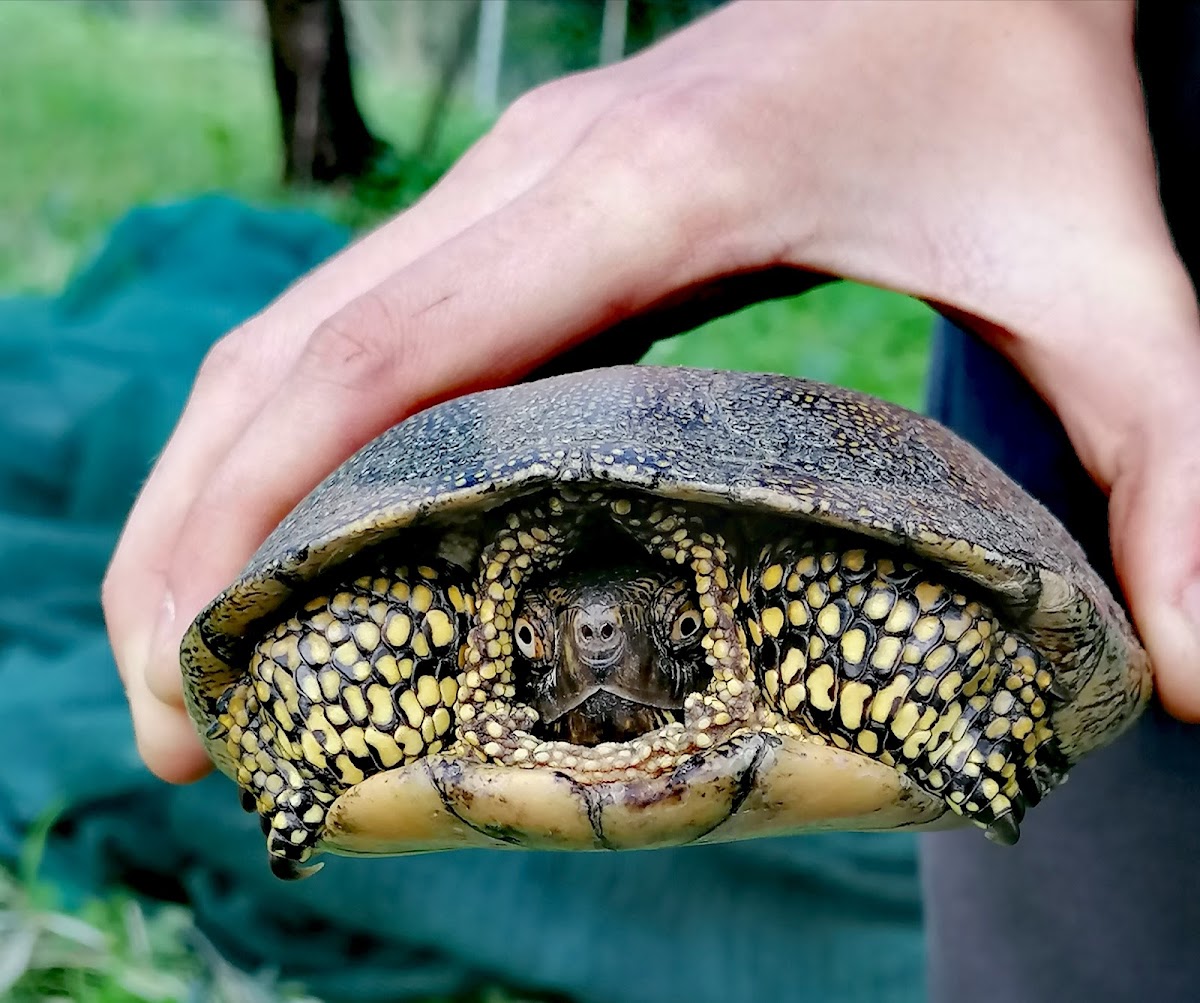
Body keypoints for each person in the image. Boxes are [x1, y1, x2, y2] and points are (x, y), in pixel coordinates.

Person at [102, 2, 1200, 999]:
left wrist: (952, 674)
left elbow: (928, 620)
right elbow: (315, 650)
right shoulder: (437, 636)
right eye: (544, 635)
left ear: (712, 623)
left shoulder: (798, 611)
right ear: (508, 635)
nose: (599, 649)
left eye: (670, 630)